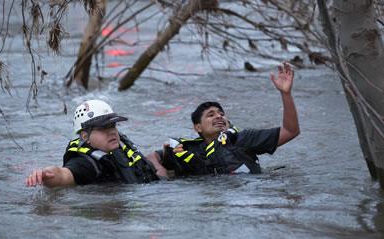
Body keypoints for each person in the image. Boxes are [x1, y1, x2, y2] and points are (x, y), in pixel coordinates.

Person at [147, 62, 300, 177]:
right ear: (198, 128)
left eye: (221, 113)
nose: (219, 116)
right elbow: (151, 157)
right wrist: (160, 169)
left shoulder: (243, 139)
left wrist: (286, 94)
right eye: (211, 114)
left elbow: (291, 131)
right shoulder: (189, 149)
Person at [26, 99, 160, 188]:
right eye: (103, 128)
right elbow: (63, 175)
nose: (111, 132)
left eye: (112, 126)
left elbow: (143, 165)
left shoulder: (118, 147)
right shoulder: (85, 164)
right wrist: (46, 175)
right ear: (85, 136)